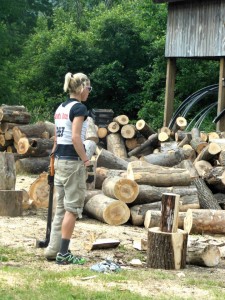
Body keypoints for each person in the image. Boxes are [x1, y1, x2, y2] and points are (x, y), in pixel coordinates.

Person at [44, 72, 93, 265]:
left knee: (60, 208)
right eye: (89, 89)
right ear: (81, 88)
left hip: (60, 160)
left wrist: (53, 160)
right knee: (72, 209)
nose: (89, 92)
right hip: (73, 161)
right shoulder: (80, 108)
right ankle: (63, 253)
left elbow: (57, 138)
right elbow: (75, 138)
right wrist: (86, 160)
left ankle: (53, 249)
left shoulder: (60, 108)